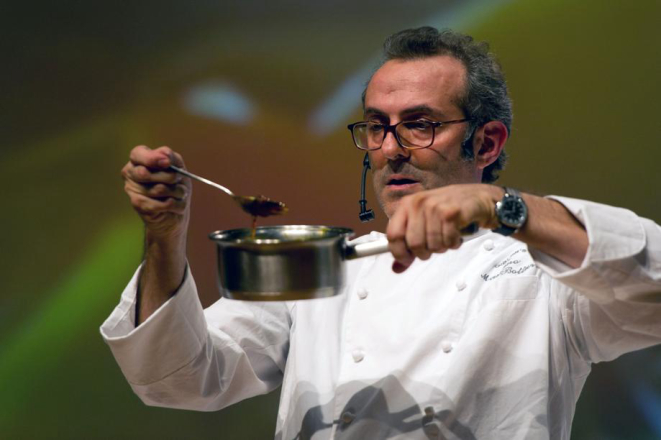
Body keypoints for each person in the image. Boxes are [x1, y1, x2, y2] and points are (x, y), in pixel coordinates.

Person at [101, 27, 661, 439]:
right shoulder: (326, 267)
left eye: (420, 124)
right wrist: (165, 235)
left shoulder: (545, 271)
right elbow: (177, 379)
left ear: (486, 144)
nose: (390, 148)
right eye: (375, 127)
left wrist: (505, 207)